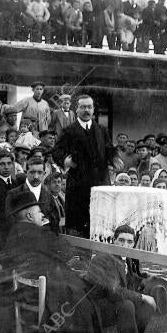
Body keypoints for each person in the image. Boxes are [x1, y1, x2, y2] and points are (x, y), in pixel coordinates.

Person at [4, 189, 100, 333]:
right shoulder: (39, 233)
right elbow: (66, 252)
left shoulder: (12, 235)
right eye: (39, 212)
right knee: (85, 300)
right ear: (29, 216)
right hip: (45, 297)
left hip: (25, 295)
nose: (42, 215)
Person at [53, 94, 122, 236]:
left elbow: (109, 148)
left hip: (100, 184)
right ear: (76, 109)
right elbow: (57, 151)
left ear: (93, 109)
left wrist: (114, 158)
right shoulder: (69, 131)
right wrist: (65, 160)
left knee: (101, 226)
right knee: (80, 229)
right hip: (79, 187)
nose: (86, 110)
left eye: (89, 107)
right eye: (83, 107)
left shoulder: (101, 130)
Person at [84, 225, 156, 333]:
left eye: (129, 242)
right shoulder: (104, 258)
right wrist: (142, 297)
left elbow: (128, 279)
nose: (125, 245)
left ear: (133, 244)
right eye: (121, 241)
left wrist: (145, 281)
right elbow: (114, 292)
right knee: (126, 305)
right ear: (114, 240)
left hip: (110, 303)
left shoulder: (126, 257)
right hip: (94, 309)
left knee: (145, 306)